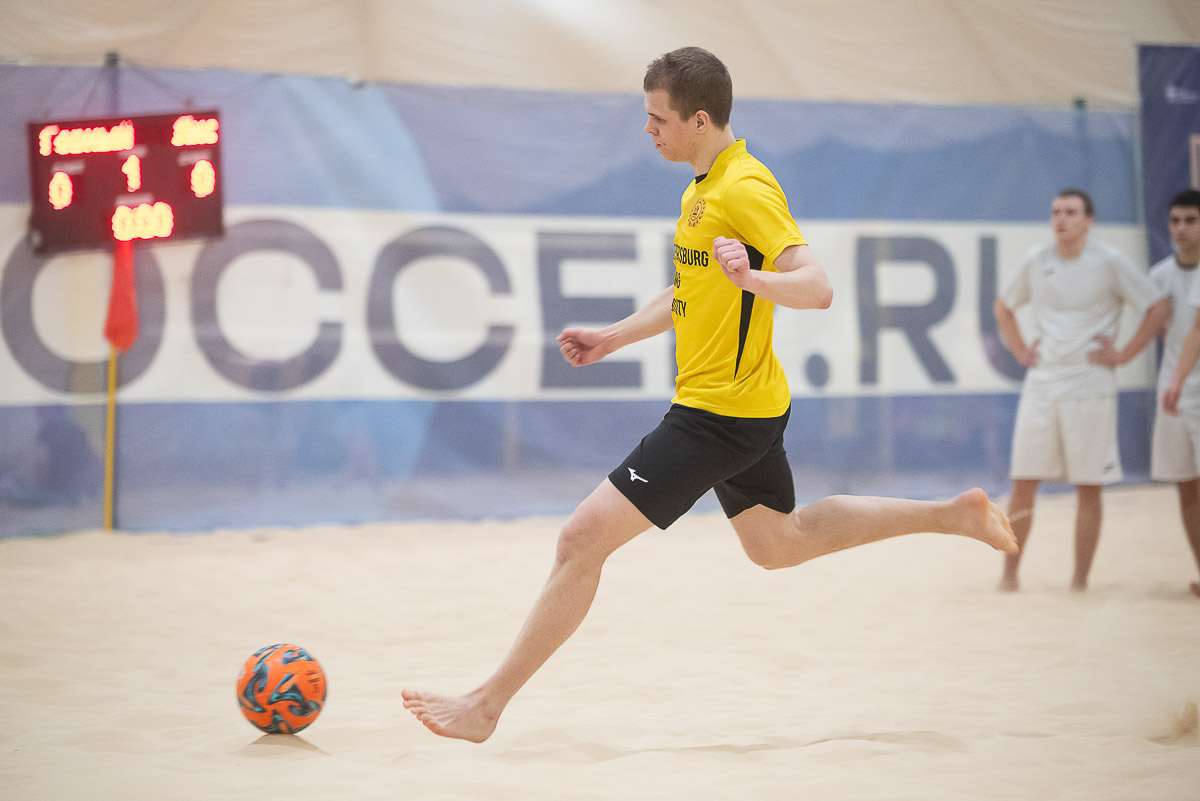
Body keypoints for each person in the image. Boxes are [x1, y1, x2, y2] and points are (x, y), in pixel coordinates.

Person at [401, 46, 1018, 743]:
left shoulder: (744, 188)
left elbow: (817, 287)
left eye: (658, 118)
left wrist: (754, 280)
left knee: (581, 538)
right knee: (779, 544)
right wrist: (612, 337)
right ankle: (950, 514)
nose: (647, 130)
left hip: (717, 416)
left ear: (700, 119)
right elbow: (690, 291)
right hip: (745, 407)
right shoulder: (702, 186)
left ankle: (484, 706)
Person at [993, 189, 1169, 593]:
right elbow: (1003, 307)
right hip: (1042, 384)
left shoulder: (1110, 261)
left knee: (1088, 486)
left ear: (1089, 221)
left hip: (1092, 386)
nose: (1061, 219)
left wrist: (1124, 354)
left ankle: (1079, 581)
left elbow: (1158, 307)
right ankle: (1009, 576)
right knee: (1023, 482)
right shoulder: (1036, 259)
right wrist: (1019, 349)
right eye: (1056, 212)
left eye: (1071, 212)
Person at [1153, 189, 1200, 597]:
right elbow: (1155, 329)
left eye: (1190, 220)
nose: (1181, 228)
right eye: (1175, 220)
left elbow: (1195, 333)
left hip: (1180, 386)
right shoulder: (1159, 276)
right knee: (1185, 487)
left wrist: (1177, 380)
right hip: (1174, 392)